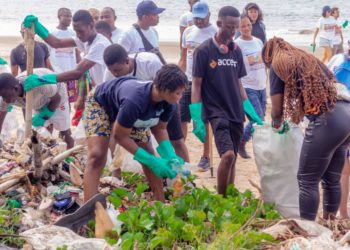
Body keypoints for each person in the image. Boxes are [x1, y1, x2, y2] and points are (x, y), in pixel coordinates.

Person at [263, 37, 350, 220]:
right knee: (331, 179)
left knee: (307, 180)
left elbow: (277, 111)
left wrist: (275, 127)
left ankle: (307, 230)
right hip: (346, 114)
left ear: (268, 56)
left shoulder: (278, 64)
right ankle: (329, 222)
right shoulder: (308, 59)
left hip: (329, 119)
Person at [83, 64, 188, 202]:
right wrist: (152, 161)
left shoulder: (170, 103)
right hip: (101, 102)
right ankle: (88, 209)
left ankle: (160, 202)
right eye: (177, 93)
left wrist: (169, 154)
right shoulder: (135, 100)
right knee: (97, 155)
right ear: (164, 89)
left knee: (148, 152)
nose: (180, 97)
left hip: (130, 111)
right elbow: (119, 136)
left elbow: (160, 128)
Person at [191, 6, 262, 196]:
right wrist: (196, 115)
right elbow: (196, 84)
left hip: (236, 111)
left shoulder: (235, 51)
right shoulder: (203, 50)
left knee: (233, 158)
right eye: (229, 27)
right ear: (219, 24)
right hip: (216, 111)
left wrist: (248, 107)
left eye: (235, 28)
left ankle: (229, 197)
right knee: (227, 155)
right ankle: (221, 198)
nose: (233, 32)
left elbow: (239, 82)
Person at [103, 44, 189, 166]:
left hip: (165, 100)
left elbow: (169, 83)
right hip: (132, 105)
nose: (116, 74)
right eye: (113, 71)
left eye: (118, 70)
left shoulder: (149, 62)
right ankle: (116, 173)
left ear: (127, 61)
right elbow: (112, 104)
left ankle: (184, 174)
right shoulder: (112, 74)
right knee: (120, 135)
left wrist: (174, 99)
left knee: (177, 140)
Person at [22, 10, 111, 88]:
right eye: (76, 32)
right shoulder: (85, 39)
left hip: (110, 89)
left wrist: (42, 79)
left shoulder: (100, 45)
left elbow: (77, 72)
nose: (78, 35)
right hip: (102, 88)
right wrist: (38, 28)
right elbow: (57, 43)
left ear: (91, 26)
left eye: (80, 31)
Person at [178, 1, 217, 171]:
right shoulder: (188, 31)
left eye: (202, 18)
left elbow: (218, 60)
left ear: (209, 15)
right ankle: (178, 153)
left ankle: (206, 156)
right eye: (196, 18)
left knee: (204, 119)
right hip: (187, 80)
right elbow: (183, 56)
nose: (199, 21)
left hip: (206, 82)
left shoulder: (215, 32)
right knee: (181, 117)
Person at [0, 68, 74, 148]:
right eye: (1, 96)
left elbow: (57, 99)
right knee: (41, 135)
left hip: (57, 98)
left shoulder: (37, 84)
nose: (4, 99)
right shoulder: (6, 97)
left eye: (5, 96)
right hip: (38, 102)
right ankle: (50, 153)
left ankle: (69, 154)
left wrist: (43, 116)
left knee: (64, 131)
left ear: (16, 88)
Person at [235, 15, 267, 159]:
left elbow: (264, 62)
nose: (246, 28)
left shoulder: (258, 41)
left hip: (262, 85)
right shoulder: (237, 45)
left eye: (248, 25)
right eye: (243, 26)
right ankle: (242, 141)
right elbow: (235, 69)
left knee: (261, 120)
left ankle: (257, 148)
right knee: (257, 119)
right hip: (248, 87)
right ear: (238, 28)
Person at [327, 39, 350, 219]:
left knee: (344, 168)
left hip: (340, 118)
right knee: (344, 168)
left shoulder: (338, 62)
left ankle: (342, 213)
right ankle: (342, 213)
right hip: (344, 119)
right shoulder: (341, 65)